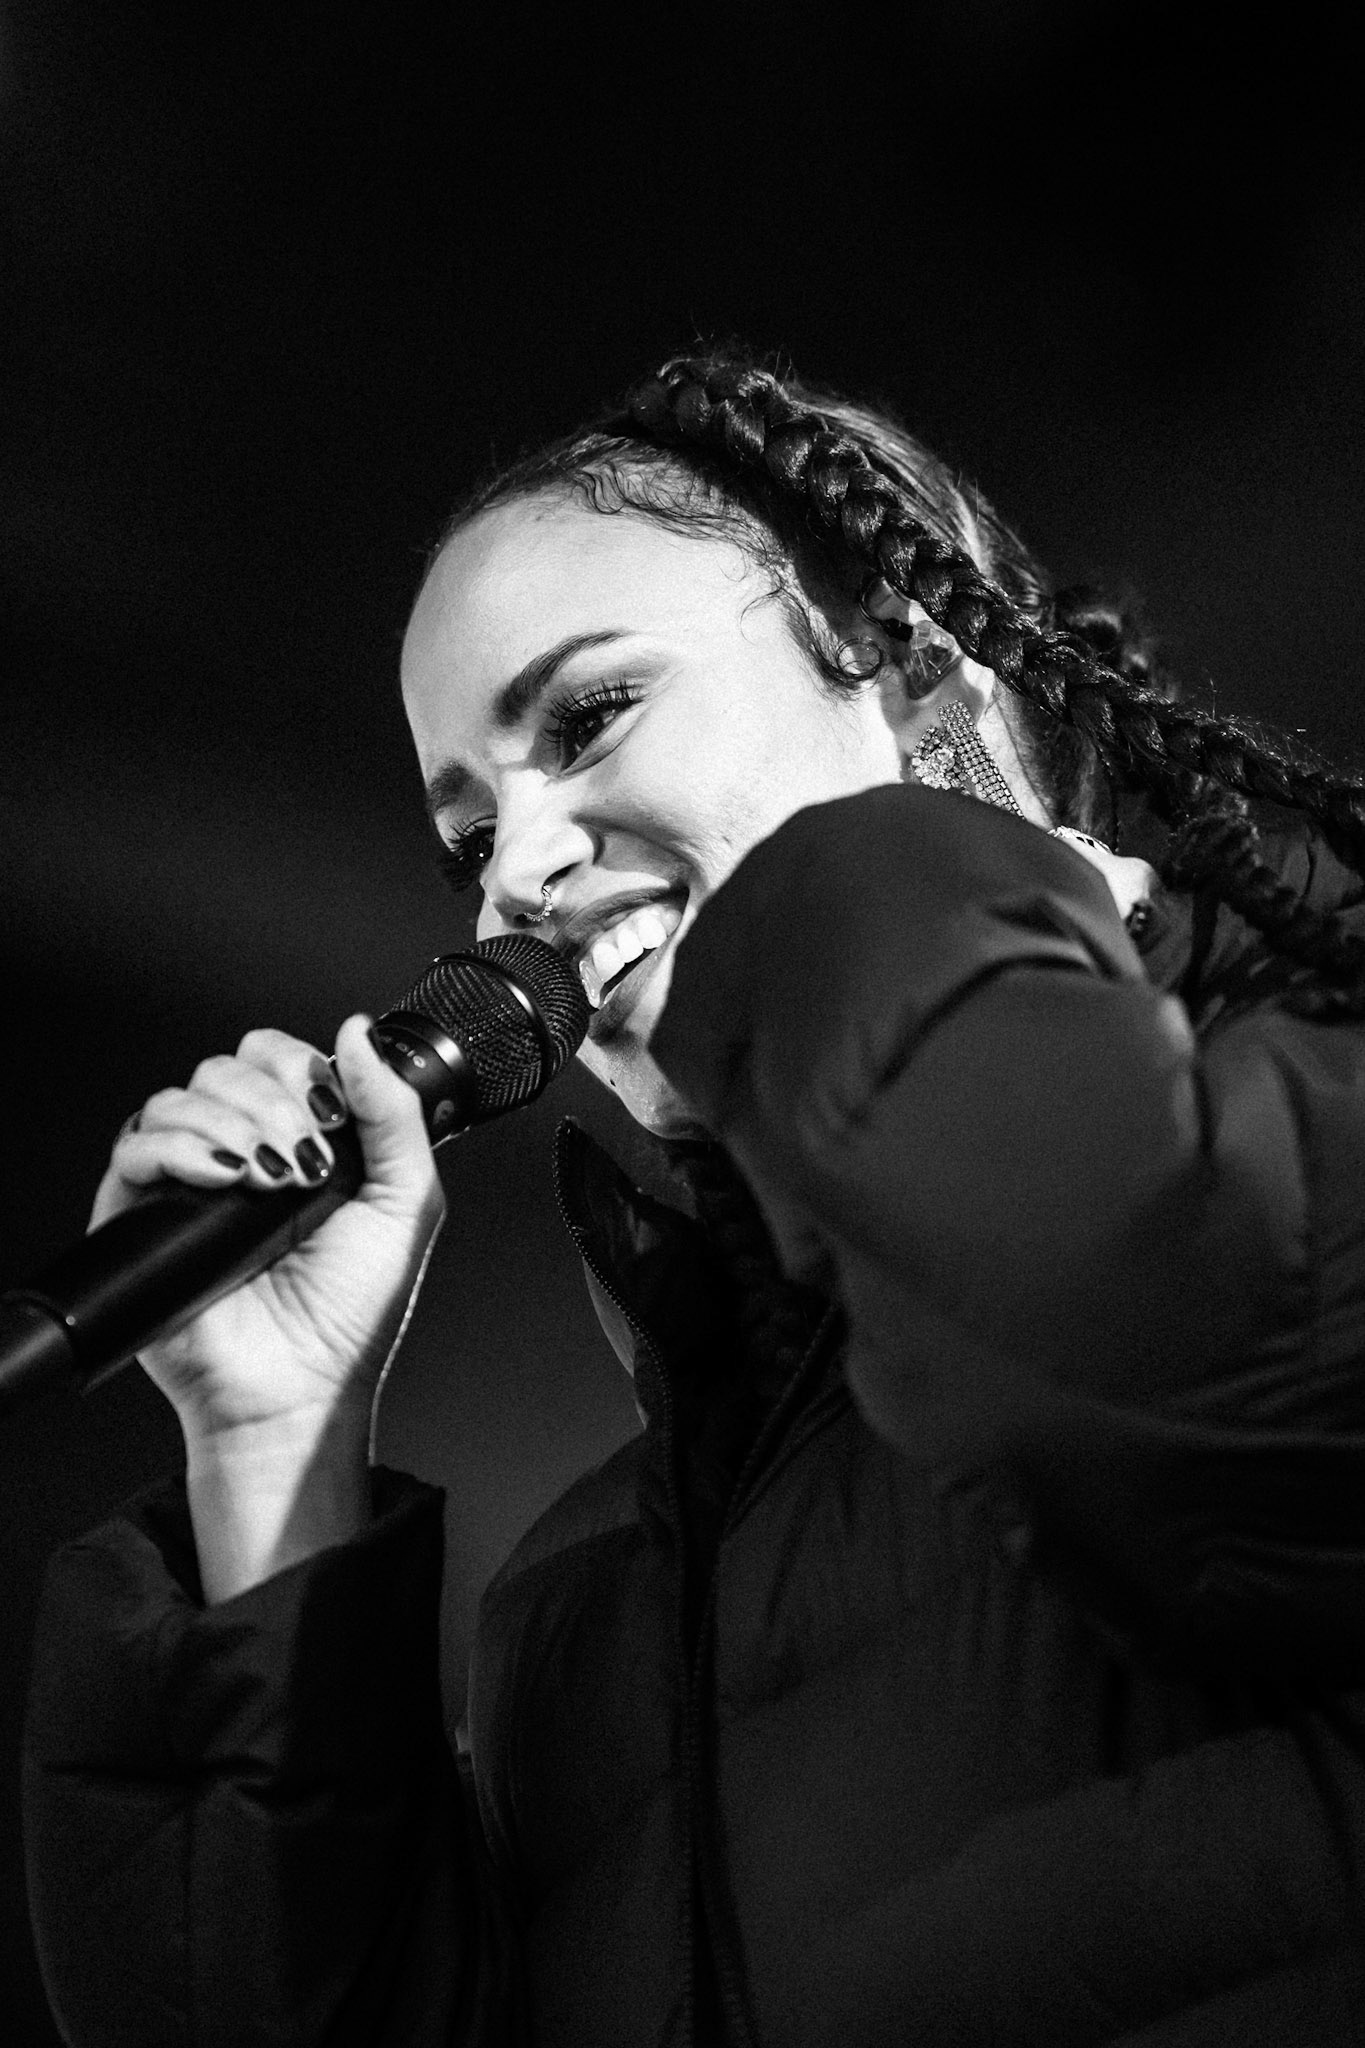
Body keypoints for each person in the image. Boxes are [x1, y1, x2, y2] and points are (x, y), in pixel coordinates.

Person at [22, 350, 1365, 2048]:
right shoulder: (588, 1599)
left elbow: (1185, 1397)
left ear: (911, 668)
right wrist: (270, 1449)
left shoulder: (1323, 1073)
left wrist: (856, 867)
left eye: (587, 720)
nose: (513, 873)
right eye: (465, 838)